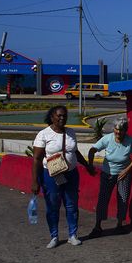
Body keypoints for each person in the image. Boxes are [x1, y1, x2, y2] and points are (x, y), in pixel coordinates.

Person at [31, 105, 95, 249]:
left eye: (64, 116)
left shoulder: (71, 132)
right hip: (51, 175)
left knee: (72, 205)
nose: (62, 118)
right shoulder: (44, 134)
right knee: (53, 206)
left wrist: (86, 165)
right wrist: (35, 181)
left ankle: (73, 235)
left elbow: (75, 152)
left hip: (71, 174)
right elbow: (36, 159)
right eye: (58, 115)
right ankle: (54, 236)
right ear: (52, 117)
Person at [87, 118, 132, 236]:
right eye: (116, 129)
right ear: (113, 129)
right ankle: (97, 226)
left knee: (123, 198)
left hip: (124, 173)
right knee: (103, 199)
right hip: (108, 173)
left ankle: (119, 224)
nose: (118, 132)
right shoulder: (107, 139)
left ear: (125, 130)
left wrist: (127, 170)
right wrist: (90, 165)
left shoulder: (130, 141)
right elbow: (92, 150)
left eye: (121, 130)